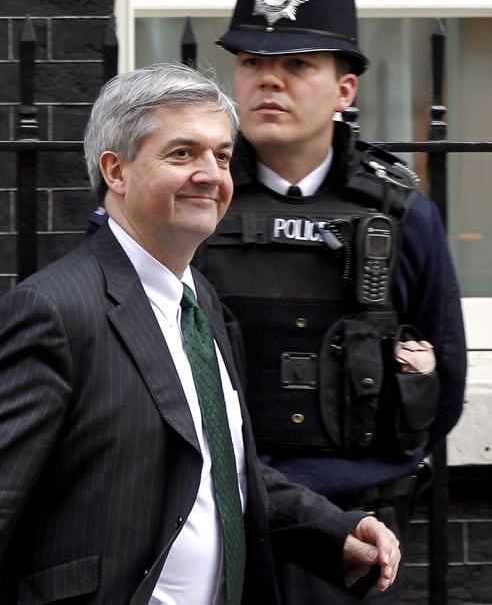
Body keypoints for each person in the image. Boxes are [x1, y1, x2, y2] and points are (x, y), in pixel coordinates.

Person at [0, 62, 401, 604]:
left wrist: (335, 534)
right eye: (182, 153)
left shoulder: (199, 301)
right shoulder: (53, 311)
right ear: (116, 172)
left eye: (222, 155)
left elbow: (221, 466)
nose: (211, 174)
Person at [192, 0, 467, 604]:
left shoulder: (402, 215)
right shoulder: (193, 196)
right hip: (211, 525)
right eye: (253, 61)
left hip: (357, 537)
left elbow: (446, 387)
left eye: (296, 63)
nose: (269, 80)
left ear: (344, 87)